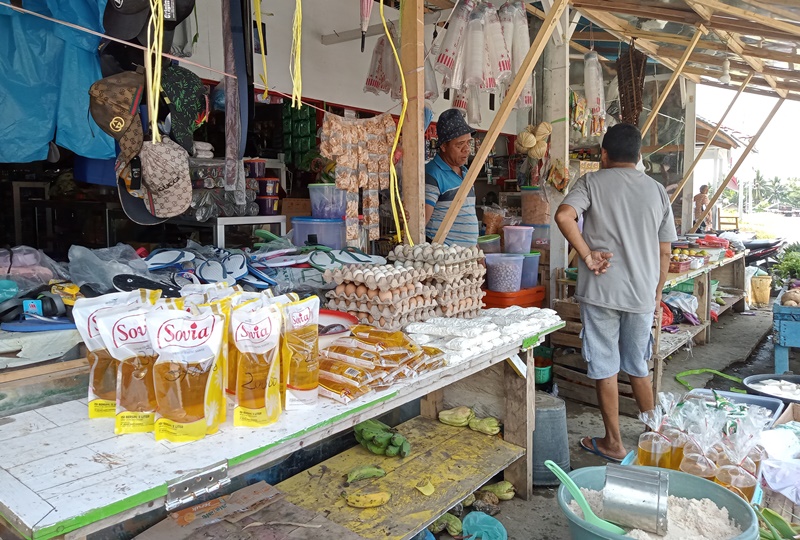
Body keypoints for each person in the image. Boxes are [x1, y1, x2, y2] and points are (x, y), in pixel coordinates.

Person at [555, 123, 678, 462]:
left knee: (605, 366)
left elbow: (564, 216)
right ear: (639, 156)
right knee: (638, 365)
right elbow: (664, 251)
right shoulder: (657, 191)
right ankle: (655, 439)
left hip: (601, 292)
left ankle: (614, 442)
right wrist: (656, 293)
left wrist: (586, 253)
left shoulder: (591, 182)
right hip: (641, 294)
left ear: (604, 154)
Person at [425, 109, 479, 246]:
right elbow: (420, 222)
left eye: (468, 142)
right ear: (443, 146)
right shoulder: (432, 174)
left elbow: (469, 215)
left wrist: (476, 250)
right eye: (459, 145)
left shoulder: (466, 173)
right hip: (444, 258)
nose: (466, 149)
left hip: (467, 257)